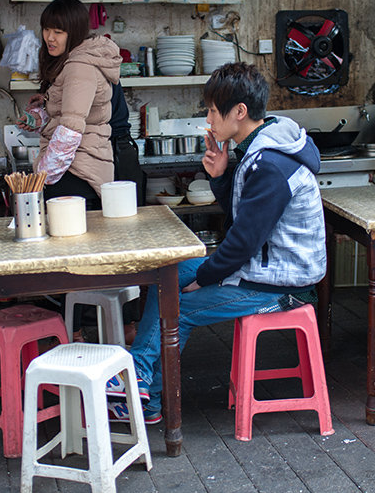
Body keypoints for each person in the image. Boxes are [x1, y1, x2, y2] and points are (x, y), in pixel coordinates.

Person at [105, 62, 327, 424]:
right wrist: (221, 176)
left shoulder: (271, 164)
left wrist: (205, 277)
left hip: (283, 285)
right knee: (170, 274)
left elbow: (241, 243)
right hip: (262, 269)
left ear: (239, 112)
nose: (208, 119)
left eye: (212, 110)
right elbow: (247, 222)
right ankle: (143, 386)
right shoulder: (263, 148)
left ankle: (141, 390)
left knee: (178, 303)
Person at [17, 0, 121, 208]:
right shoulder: (72, 61)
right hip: (74, 168)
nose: (49, 38)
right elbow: (71, 112)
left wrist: (43, 177)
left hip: (78, 170)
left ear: (74, 32)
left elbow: (70, 130)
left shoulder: (79, 67)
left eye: (58, 32)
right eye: (46, 29)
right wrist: (41, 117)